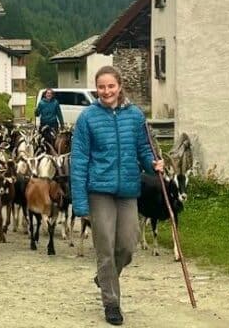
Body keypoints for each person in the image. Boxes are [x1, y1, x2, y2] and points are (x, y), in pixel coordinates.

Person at [70, 66, 164, 326]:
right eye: (101, 87)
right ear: (96, 89)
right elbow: (78, 161)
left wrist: (153, 163)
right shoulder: (87, 118)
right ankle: (111, 303)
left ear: (119, 86)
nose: (106, 91)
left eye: (111, 86)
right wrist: (80, 202)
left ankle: (105, 277)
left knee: (126, 245)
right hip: (99, 190)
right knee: (105, 248)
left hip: (127, 190)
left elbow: (144, 148)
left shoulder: (135, 116)